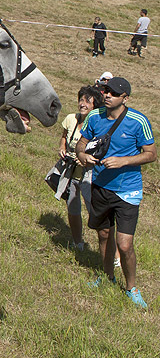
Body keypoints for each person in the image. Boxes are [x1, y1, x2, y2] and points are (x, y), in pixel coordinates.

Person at [76, 77, 155, 308]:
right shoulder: (94, 116)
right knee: (103, 235)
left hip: (128, 190)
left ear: (125, 98)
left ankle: (131, 287)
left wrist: (124, 161)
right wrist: (82, 156)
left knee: (125, 244)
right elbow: (82, 143)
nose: (107, 95)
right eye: (106, 91)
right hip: (100, 186)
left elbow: (151, 154)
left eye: (113, 92)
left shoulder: (138, 121)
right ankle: (107, 276)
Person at [57, 85, 104, 250]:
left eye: (87, 102)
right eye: (81, 100)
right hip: (71, 174)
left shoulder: (99, 124)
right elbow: (64, 138)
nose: (82, 104)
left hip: (90, 177)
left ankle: (110, 251)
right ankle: (78, 243)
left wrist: (85, 159)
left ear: (95, 106)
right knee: (73, 209)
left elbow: (101, 151)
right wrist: (62, 149)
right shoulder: (71, 119)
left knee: (96, 214)